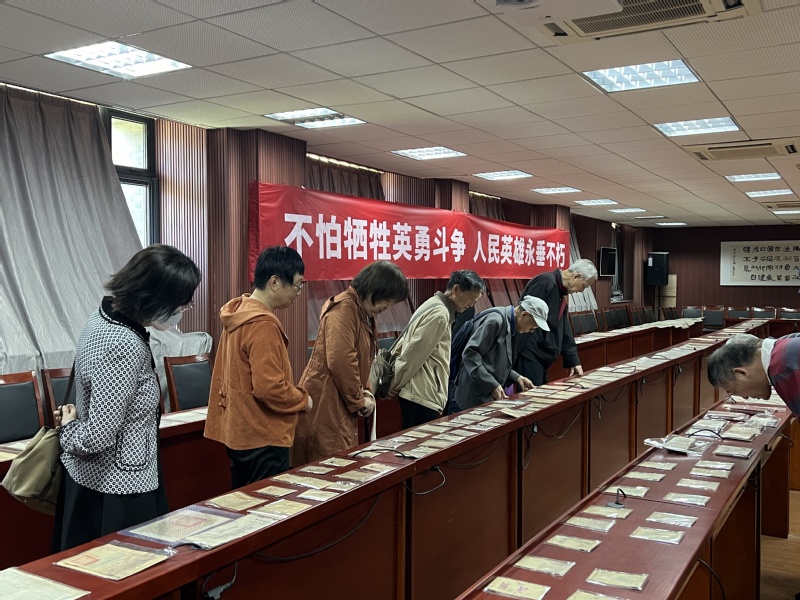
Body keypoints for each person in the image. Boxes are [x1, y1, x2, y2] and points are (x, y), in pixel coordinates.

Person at [52, 244, 201, 552]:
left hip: (103, 476)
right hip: (117, 486)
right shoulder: (121, 344)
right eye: (181, 302)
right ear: (155, 297)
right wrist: (68, 429)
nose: (183, 309)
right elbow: (98, 435)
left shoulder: (104, 317)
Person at [204, 246, 312, 490]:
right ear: (275, 282)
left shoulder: (239, 312)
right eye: (297, 285)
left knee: (244, 504)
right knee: (267, 507)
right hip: (264, 435)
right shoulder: (262, 324)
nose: (298, 293)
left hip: (240, 431)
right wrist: (302, 400)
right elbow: (269, 388)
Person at [292, 261, 409, 465]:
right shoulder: (344, 310)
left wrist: (367, 392)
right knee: (328, 466)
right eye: (387, 301)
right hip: (326, 401)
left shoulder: (361, 311)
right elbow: (342, 361)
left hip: (339, 400)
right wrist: (359, 399)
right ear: (373, 289)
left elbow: (364, 360)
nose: (387, 308)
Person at [388, 270, 485, 429]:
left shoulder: (434, 304)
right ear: (456, 289)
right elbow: (413, 355)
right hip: (421, 395)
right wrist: (395, 383)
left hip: (419, 391)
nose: (471, 305)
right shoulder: (440, 314)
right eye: (471, 299)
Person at [452, 296, 549, 410]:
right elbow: (470, 354)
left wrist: (517, 377)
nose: (532, 330)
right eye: (533, 325)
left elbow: (493, 359)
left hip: (484, 395)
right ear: (524, 315)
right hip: (472, 396)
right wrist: (492, 384)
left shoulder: (511, 324)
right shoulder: (495, 321)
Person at [514, 259, 598, 386]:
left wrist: (573, 360)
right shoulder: (545, 283)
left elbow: (564, 328)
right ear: (576, 276)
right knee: (532, 395)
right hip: (530, 354)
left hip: (541, 357)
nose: (581, 291)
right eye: (584, 286)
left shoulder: (560, 292)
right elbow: (525, 319)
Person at [707, 333, 800, 418]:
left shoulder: (783, 371)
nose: (745, 397)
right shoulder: (783, 345)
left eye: (733, 391)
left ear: (741, 372)